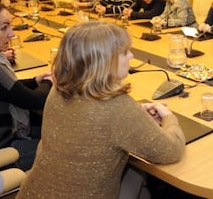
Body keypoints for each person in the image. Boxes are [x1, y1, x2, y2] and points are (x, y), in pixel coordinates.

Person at [16, 21, 186, 198]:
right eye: (124, 52)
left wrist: (137, 113)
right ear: (105, 61)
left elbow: (88, 119)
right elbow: (170, 151)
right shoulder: (117, 107)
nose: (131, 56)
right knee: (144, 181)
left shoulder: (59, 88)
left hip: (33, 192)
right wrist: (169, 118)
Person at [0, 3, 53, 170]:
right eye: (4, 28)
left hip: (3, 136)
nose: (11, 34)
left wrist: (35, 81)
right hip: (1, 148)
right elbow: (34, 101)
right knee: (67, 146)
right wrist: (50, 81)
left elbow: (5, 89)